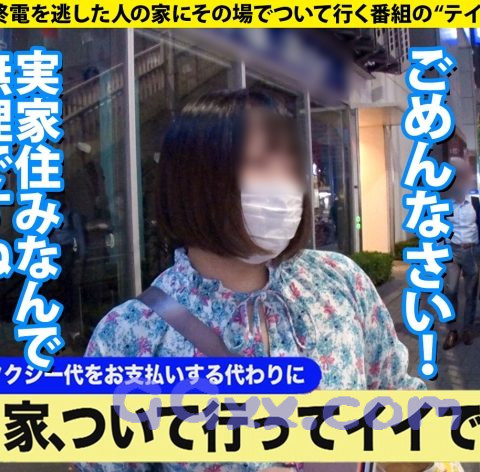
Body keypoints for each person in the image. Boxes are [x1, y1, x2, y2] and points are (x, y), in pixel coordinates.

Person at [79, 89, 424, 472]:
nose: (284, 186)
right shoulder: (129, 336)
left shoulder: (340, 281)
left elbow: (408, 415)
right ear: (196, 182)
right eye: (259, 162)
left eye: (289, 165)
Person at [443, 157, 480, 350]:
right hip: (452, 252)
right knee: (451, 291)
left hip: (472, 251)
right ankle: (452, 331)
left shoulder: (475, 202)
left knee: (471, 292)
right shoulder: (445, 205)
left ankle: (467, 329)